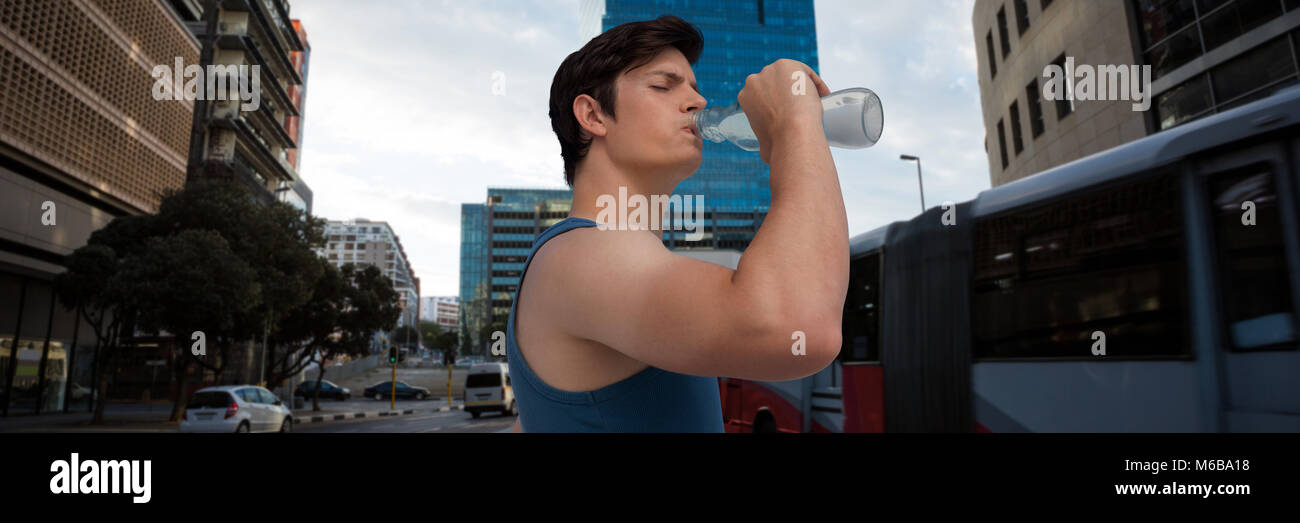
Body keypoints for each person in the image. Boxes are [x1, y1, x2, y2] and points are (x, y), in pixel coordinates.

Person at [507, 15, 848, 433]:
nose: (698, 102)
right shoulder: (580, 255)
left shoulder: (601, 260)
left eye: (695, 89)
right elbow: (800, 330)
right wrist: (796, 123)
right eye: (663, 86)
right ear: (593, 115)